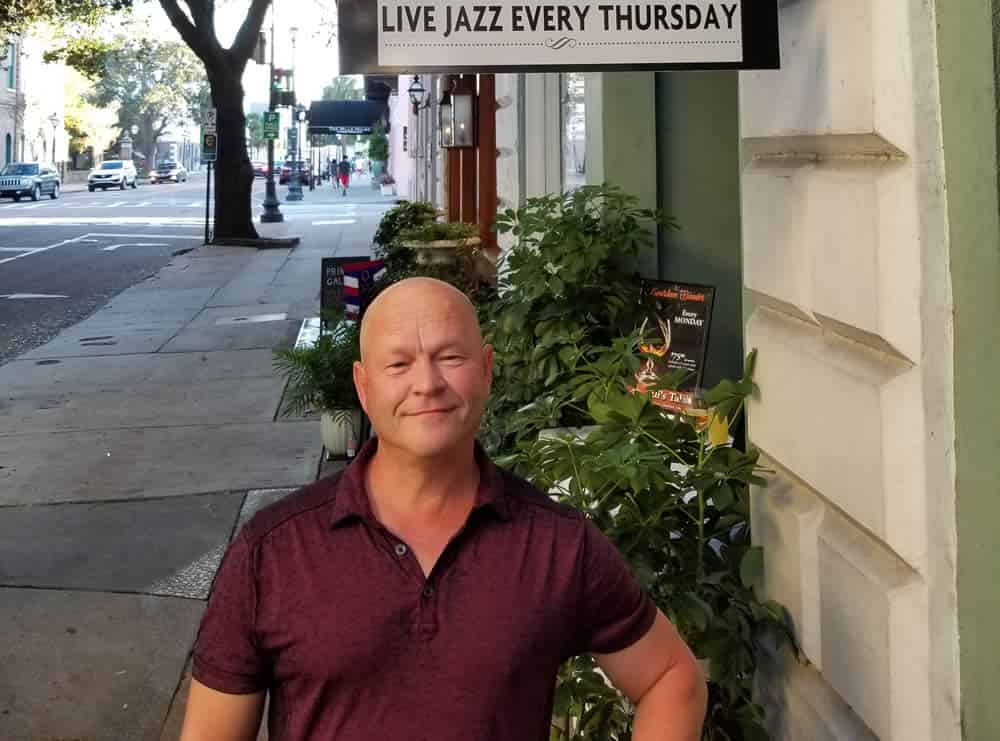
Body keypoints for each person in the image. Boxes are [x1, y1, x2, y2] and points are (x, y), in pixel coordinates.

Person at [179, 278, 707, 741]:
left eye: (449, 357)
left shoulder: (556, 543)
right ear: (364, 388)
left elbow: (671, 679)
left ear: (487, 370)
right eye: (399, 364)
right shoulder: (273, 551)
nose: (427, 383)